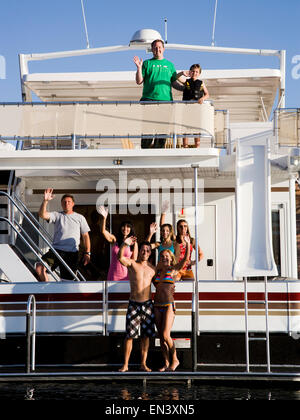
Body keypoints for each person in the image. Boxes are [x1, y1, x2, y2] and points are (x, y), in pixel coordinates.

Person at [134, 39, 188, 149]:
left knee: (162, 128)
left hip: (166, 101)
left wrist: (185, 89)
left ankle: (159, 150)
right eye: (155, 47)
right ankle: (145, 150)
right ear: (152, 49)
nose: (157, 49)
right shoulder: (147, 63)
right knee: (148, 127)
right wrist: (139, 68)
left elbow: (174, 83)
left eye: (159, 47)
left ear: (163, 49)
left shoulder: (170, 65)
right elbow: (139, 81)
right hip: (148, 99)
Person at [118, 237, 156, 372]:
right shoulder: (133, 264)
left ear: (150, 253)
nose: (145, 252)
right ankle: (126, 364)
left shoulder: (153, 269)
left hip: (148, 305)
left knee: (145, 336)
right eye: (143, 250)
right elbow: (120, 257)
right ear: (139, 251)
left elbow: (164, 281)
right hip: (134, 304)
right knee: (129, 336)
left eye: (147, 250)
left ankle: (143, 364)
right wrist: (124, 244)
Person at [35, 189, 91, 282]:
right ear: (61, 204)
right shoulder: (57, 215)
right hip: (56, 251)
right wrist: (45, 201)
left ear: (73, 204)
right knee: (40, 268)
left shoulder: (80, 218)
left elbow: (85, 236)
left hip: (71, 253)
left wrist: (87, 253)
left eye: (69, 202)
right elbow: (42, 214)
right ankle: (47, 293)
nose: (66, 203)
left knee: (67, 283)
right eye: (64, 202)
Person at [153, 235, 191, 371]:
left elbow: (185, 260)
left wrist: (187, 246)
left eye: (167, 256)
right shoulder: (157, 271)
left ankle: (175, 359)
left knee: (165, 334)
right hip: (157, 305)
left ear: (171, 258)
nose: (165, 258)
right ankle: (166, 362)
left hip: (169, 304)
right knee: (160, 337)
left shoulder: (173, 270)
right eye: (162, 256)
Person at [98, 206, 138, 281]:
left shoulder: (134, 243)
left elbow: (134, 261)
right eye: (123, 226)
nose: (125, 229)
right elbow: (103, 231)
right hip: (113, 274)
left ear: (131, 229)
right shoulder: (115, 239)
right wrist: (104, 218)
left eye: (128, 227)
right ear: (120, 228)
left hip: (126, 275)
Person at [176, 63, 210, 148]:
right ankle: (185, 146)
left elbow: (207, 94)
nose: (194, 73)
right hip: (187, 108)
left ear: (199, 73)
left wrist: (203, 98)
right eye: (193, 71)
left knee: (196, 128)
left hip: (197, 109)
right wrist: (182, 73)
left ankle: (197, 145)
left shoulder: (201, 83)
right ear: (190, 72)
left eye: (196, 72)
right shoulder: (186, 81)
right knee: (185, 128)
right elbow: (176, 78)